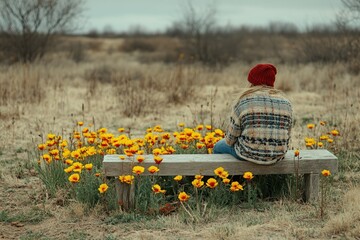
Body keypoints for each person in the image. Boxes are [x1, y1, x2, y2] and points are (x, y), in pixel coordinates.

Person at [213, 63, 293, 165]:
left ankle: (229, 179)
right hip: (277, 155)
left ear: (253, 82)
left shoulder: (243, 101)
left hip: (247, 154)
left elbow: (230, 140)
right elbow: (288, 134)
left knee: (218, 146)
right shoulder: (286, 103)